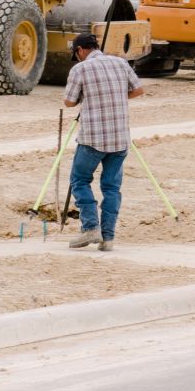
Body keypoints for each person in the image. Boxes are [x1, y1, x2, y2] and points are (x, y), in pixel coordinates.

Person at [62, 32, 146, 252]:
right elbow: (138, 90)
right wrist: (115, 96)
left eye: (76, 54)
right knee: (111, 187)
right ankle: (108, 237)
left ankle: (91, 227)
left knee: (79, 180)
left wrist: (89, 97)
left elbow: (69, 102)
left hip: (93, 139)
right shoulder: (120, 63)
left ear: (80, 50)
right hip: (120, 138)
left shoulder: (80, 69)